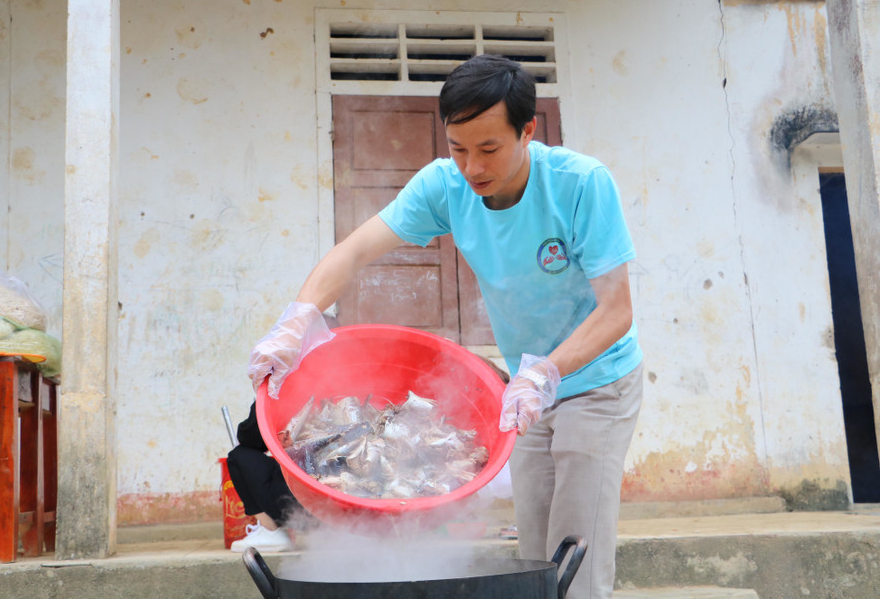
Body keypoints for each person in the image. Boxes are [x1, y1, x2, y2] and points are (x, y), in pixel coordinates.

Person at [247, 54, 643, 599]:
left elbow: (617, 311)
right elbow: (356, 250)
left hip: (597, 382)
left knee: (576, 550)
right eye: (458, 149)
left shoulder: (580, 185)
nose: (472, 167)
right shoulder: (445, 186)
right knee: (535, 554)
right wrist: (296, 321)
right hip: (522, 395)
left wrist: (548, 372)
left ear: (527, 130)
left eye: (489, 149)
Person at [225, 399, 299, 552]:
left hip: (305, 504)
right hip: (342, 509)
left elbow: (249, 439)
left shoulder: (278, 390)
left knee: (239, 456)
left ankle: (271, 531)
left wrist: (263, 396)